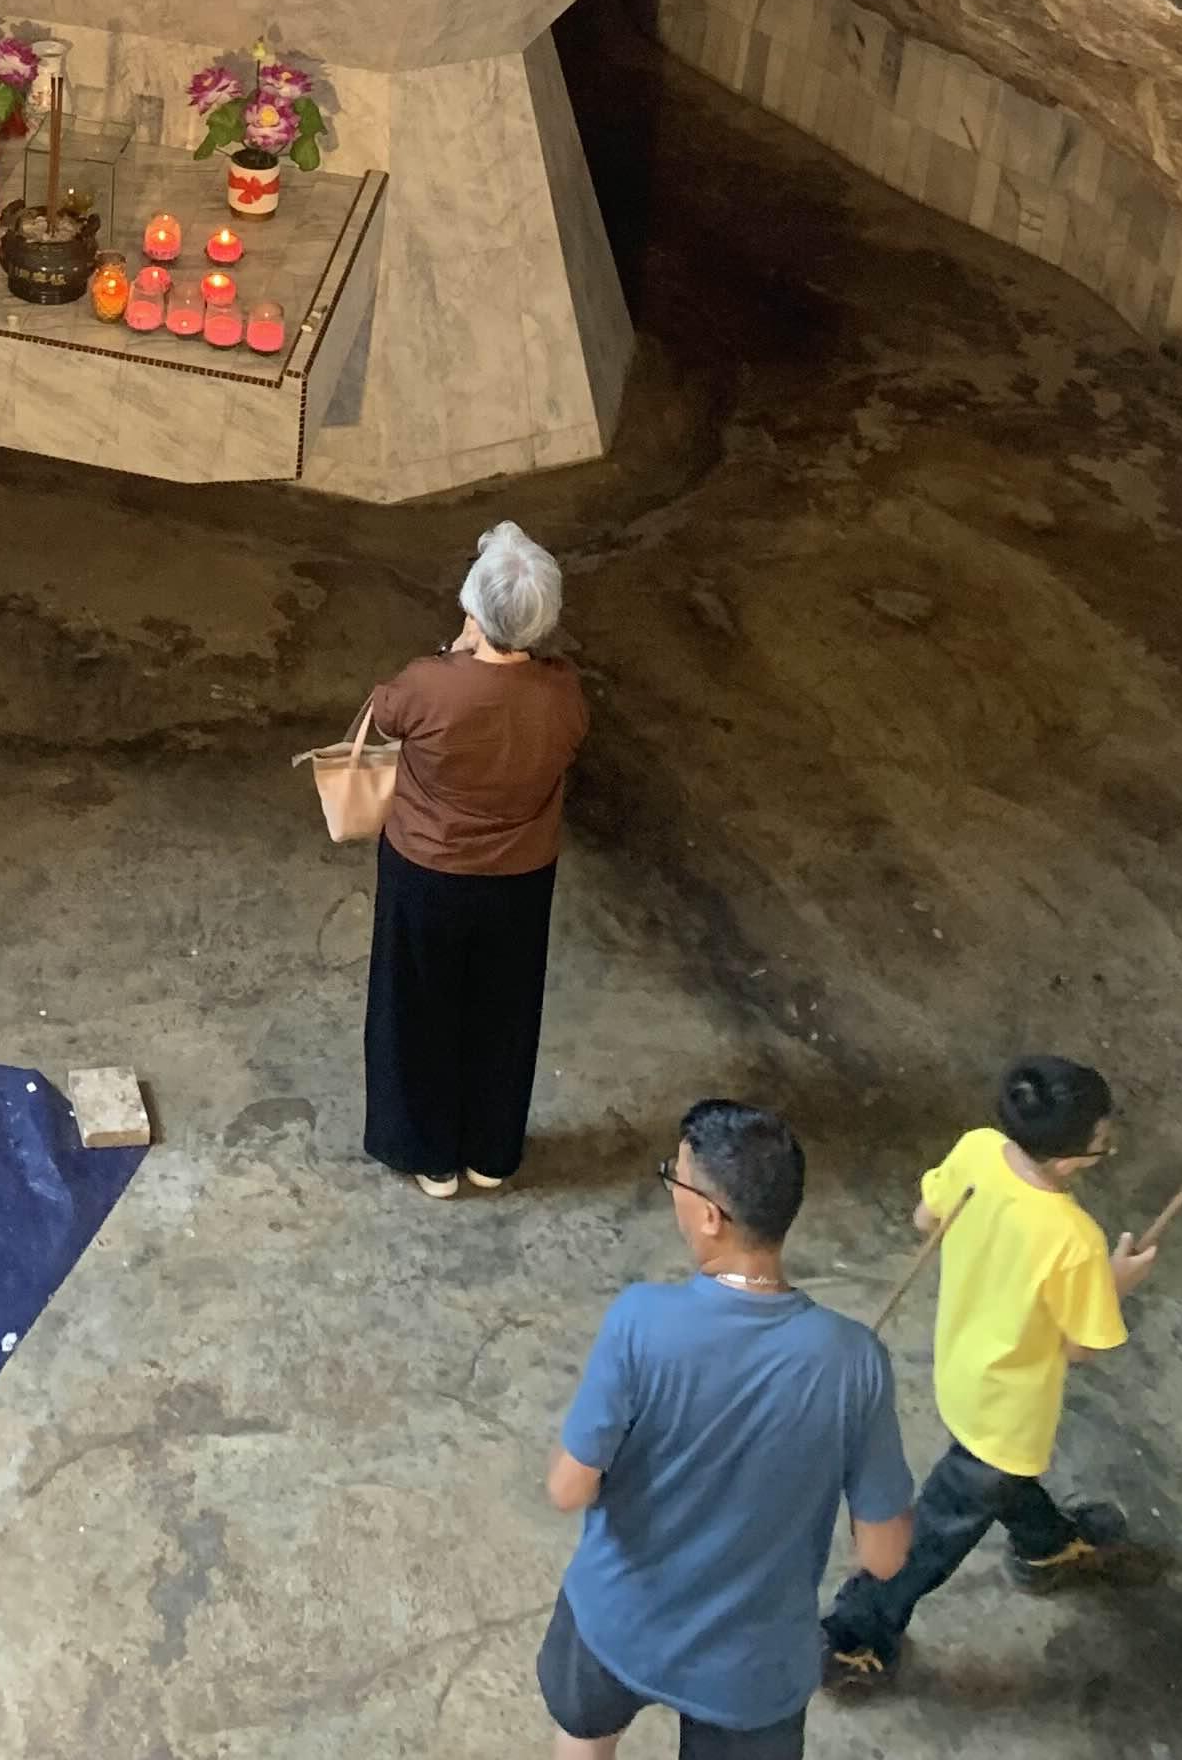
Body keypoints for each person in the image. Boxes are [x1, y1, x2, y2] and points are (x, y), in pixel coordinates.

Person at [541, 1101, 914, 1758]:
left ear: (711, 1216)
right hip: (751, 1669)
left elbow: (568, 1490)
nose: (672, 1192)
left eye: (676, 1179)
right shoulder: (854, 1360)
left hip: (619, 1620)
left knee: (584, 1737)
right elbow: (883, 1557)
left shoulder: (640, 1320)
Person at [818, 1054, 1153, 1695]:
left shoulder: (978, 1148)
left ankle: (1046, 1546)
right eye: (1102, 1139)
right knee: (938, 1530)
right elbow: (1080, 1348)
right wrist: (1115, 1283)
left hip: (961, 1363)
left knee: (996, 1482)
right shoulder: (1074, 1237)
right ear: (1069, 1160)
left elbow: (925, 1219)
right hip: (1007, 1409)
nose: (1106, 1141)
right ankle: (855, 1633)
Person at [361, 520, 588, 1195]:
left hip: (427, 872)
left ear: (472, 610)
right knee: (505, 1012)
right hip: (522, 877)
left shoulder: (431, 685)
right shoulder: (563, 693)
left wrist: (452, 650)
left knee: (418, 1010)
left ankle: (429, 1155)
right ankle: (491, 1153)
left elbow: (383, 713)